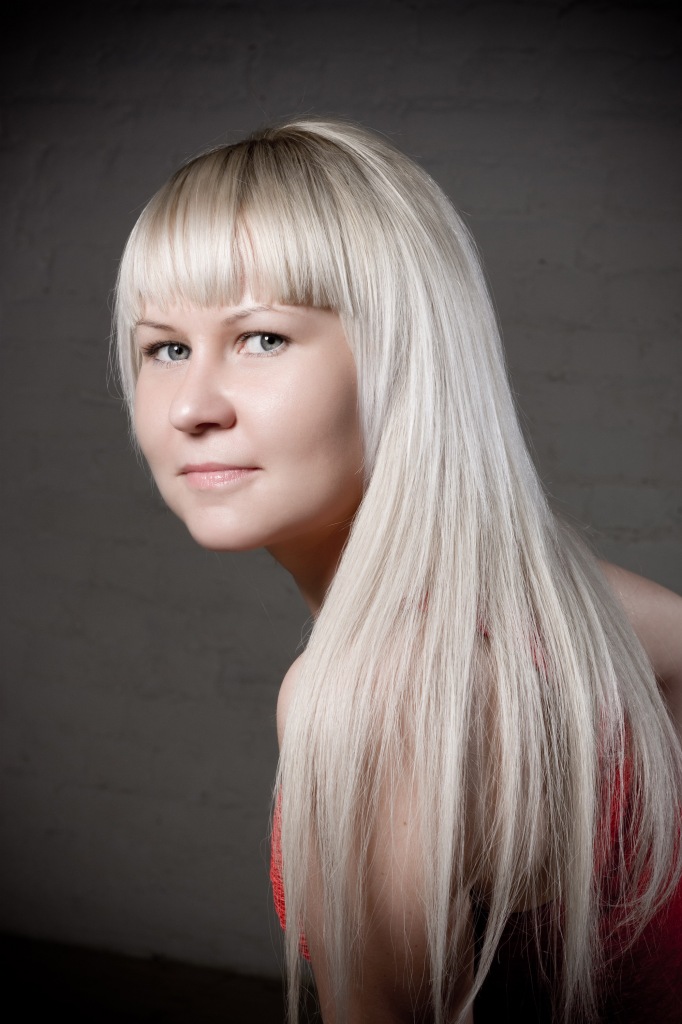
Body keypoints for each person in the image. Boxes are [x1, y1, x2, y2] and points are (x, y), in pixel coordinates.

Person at [114, 119, 682, 1023]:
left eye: (262, 338)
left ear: (404, 357)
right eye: (166, 348)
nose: (192, 407)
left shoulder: (377, 699)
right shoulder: (594, 607)